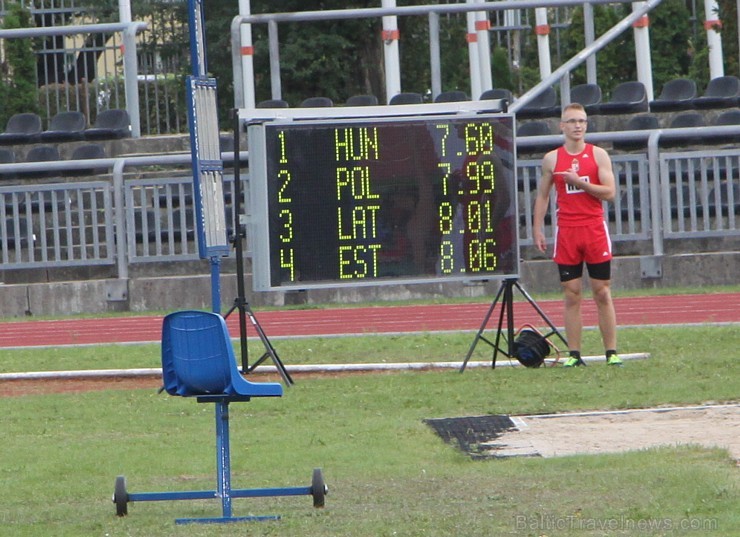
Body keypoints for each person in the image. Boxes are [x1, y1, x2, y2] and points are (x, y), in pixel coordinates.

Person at [532, 103, 622, 367]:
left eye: (581, 121)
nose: (577, 126)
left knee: (602, 291)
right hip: (567, 231)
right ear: (562, 125)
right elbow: (543, 196)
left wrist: (581, 182)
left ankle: (611, 352)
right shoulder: (552, 159)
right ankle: (574, 354)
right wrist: (537, 228)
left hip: (593, 228)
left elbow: (610, 192)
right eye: (572, 121)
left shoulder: (598, 155)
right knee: (571, 293)